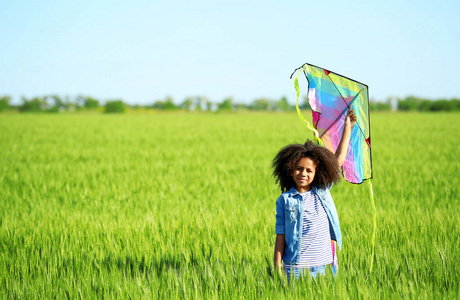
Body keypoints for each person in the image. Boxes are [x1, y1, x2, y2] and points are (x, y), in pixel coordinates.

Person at [272, 108, 356, 281]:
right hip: (294, 269)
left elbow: (338, 160)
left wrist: (348, 126)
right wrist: (277, 267)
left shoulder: (321, 192)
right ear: (290, 170)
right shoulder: (285, 200)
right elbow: (280, 235)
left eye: (309, 170)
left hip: (321, 268)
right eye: (299, 169)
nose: (303, 173)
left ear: (317, 173)